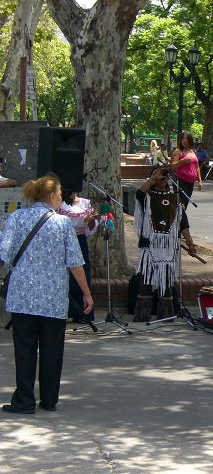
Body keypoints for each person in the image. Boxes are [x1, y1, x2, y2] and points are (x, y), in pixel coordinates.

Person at [0, 175, 93, 414]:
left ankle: (24, 400)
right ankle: (49, 400)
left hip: (22, 297)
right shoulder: (63, 224)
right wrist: (86, 293)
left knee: (24, 349)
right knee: (52, 350)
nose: (61, 197)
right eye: (60, 193)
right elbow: (75, 263)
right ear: (51, 196)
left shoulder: (17, 217)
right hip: (54, 299)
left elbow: (4, 253)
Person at [133, 167, 196, 321]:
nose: (163, 178)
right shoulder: (147, 197)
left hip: (169, 248)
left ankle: (166, 314)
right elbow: (139, 194)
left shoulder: (175, 198)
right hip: (150, 245)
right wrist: (153, 179)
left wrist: (189, 241)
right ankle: (142, 315)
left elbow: (183, 222)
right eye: (159, 176)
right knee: (146, 281)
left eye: (165, 176)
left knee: (167, 282)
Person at [58, 191, 99, 322]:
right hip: (62, 240)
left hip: (80, 240)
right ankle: (64, 311)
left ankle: (82, 313)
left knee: (81, 273)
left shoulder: (85, 203)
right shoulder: (59, 203)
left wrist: (91, 220)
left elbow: (90, 228)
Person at [171, 131, 203, 210]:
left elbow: (196, 166)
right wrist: (182, 161)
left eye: (186, 139)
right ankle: (179, 218)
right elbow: (173, 167)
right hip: (181, 181)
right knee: (181, 205)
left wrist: (200, 181)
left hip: (191, 183)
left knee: (185, 205)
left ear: (190, 140)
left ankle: (179, 217)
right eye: (182, 139)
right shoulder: (178, 151)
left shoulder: (193, 151)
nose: (184, 141)